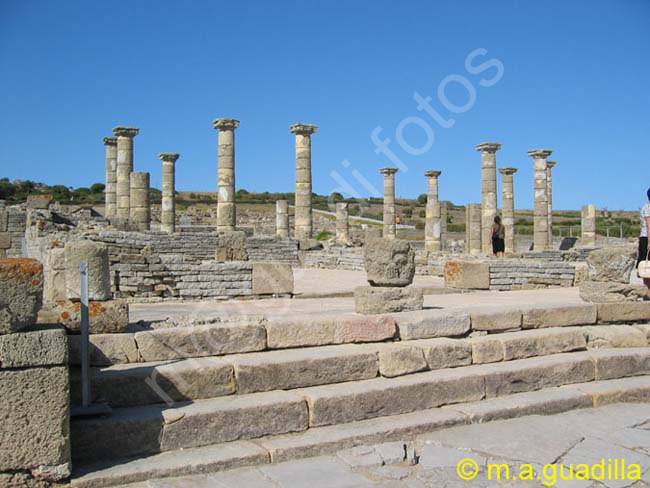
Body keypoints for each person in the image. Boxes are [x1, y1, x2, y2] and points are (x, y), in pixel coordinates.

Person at [637, 188, 650, 301]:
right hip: (647, 238)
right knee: (646, 266)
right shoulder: (648, 208)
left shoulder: (645, 207)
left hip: (644, 237)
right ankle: (647, 292)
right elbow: (649, 226)